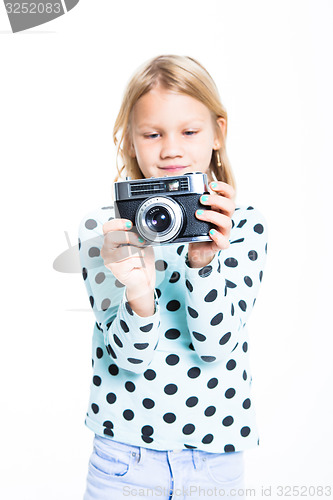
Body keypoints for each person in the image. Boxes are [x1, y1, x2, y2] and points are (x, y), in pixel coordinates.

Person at [78, 55, 267, 500]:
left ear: (219, 132)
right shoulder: (104, 232)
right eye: (152, 134)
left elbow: (218, 345)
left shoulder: (243, 225)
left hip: (215, 457)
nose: (171, 150)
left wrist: (203, 263)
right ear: (131, 141)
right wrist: (139, 290)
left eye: (189, 131)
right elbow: (129, 357)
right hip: (123, 455)